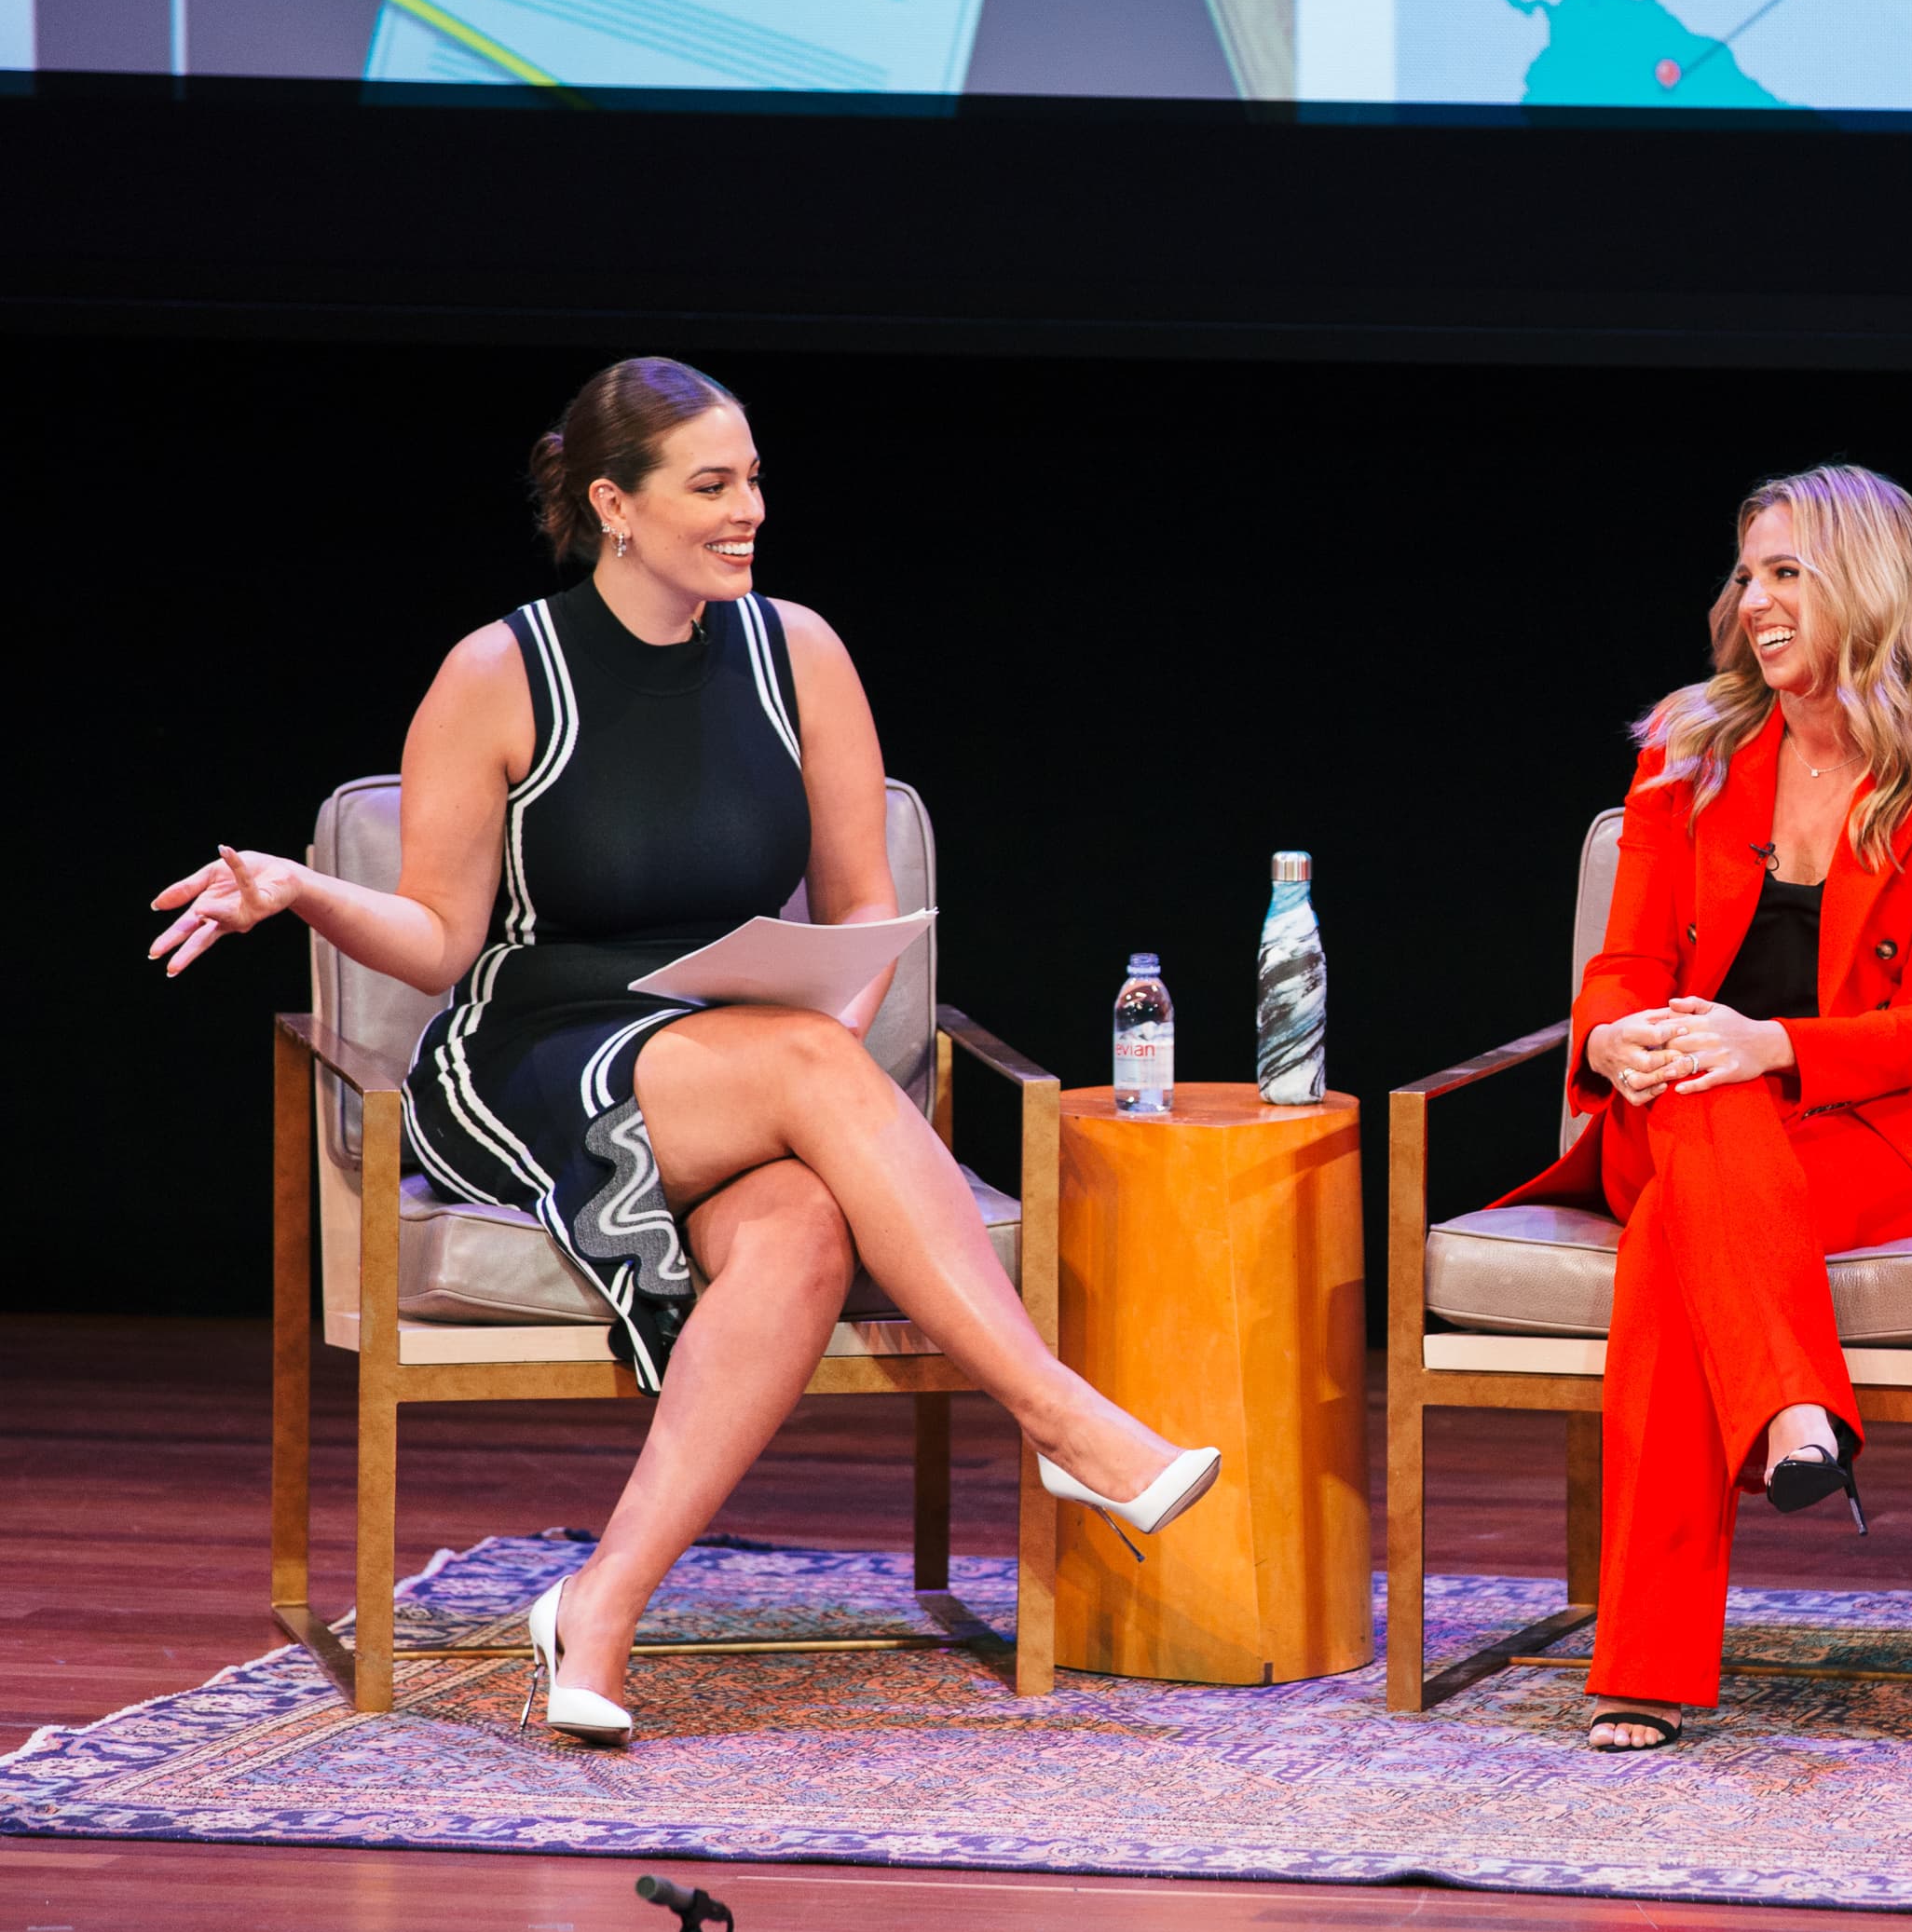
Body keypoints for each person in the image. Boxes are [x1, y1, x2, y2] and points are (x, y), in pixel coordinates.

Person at [148, 359, 1218, 1747]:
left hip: (726, 1039)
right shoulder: (500, 669)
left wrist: (812, 1034)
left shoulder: (802, 653)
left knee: (804, 1231)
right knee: (811, 1082)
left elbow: (858, 912)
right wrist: (301, 890)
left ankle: (598, 1609)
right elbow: (433, 938)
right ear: (615, 505)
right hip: (533, 1048)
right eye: (712, 486)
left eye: (755, 479)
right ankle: (1065, 1421)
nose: (748, 511)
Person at [1493, 464, 1912, 1753]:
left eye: (1787, 572)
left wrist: (1770, 1047)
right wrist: (1622, 1039)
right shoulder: (1689, 755)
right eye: (1748, 573)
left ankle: (1644, 1668)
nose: (1755, 599)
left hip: (1873, 1133)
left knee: (1671, 1245)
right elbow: (1624, 971)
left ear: (1869, 582)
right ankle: (1795, 1413)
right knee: (1699, 1096)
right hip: (1678, 1114)